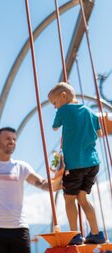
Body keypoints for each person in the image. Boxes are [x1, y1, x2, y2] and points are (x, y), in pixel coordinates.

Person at [0, 127, 60, 253]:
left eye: (14, 139)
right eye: (8, 139)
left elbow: (43, 184)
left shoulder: (22, 167)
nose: (12, 142)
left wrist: (61, 180)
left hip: (19, 229)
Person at [48, 82, 106, 245]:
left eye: (54, 102)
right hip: (93, 163)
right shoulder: (90, 112)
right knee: (83, 198)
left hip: (75, 165)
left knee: (69, 198)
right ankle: (96, 233)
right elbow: (99, 132)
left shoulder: (63, 110)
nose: (55, 107)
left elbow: (54, 127)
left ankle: (75, 235)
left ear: (63, 96)